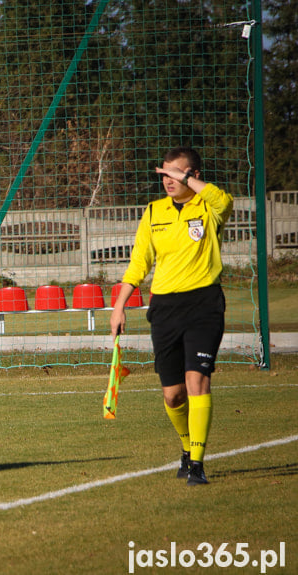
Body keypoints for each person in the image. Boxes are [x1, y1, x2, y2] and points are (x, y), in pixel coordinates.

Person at [110, 146, 233, 486]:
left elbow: (225, 201)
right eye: (164, 174)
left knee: (197, 381)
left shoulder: (209, 207)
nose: (167, 180)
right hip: (164, 308)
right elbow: (139, 263)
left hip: (204, 305)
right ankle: (185, 447)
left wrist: (189, 180)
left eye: (175, 174)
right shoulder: (153, 212)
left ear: (192, 175)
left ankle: (197, 463)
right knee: (172, 394)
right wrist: (119, 305)